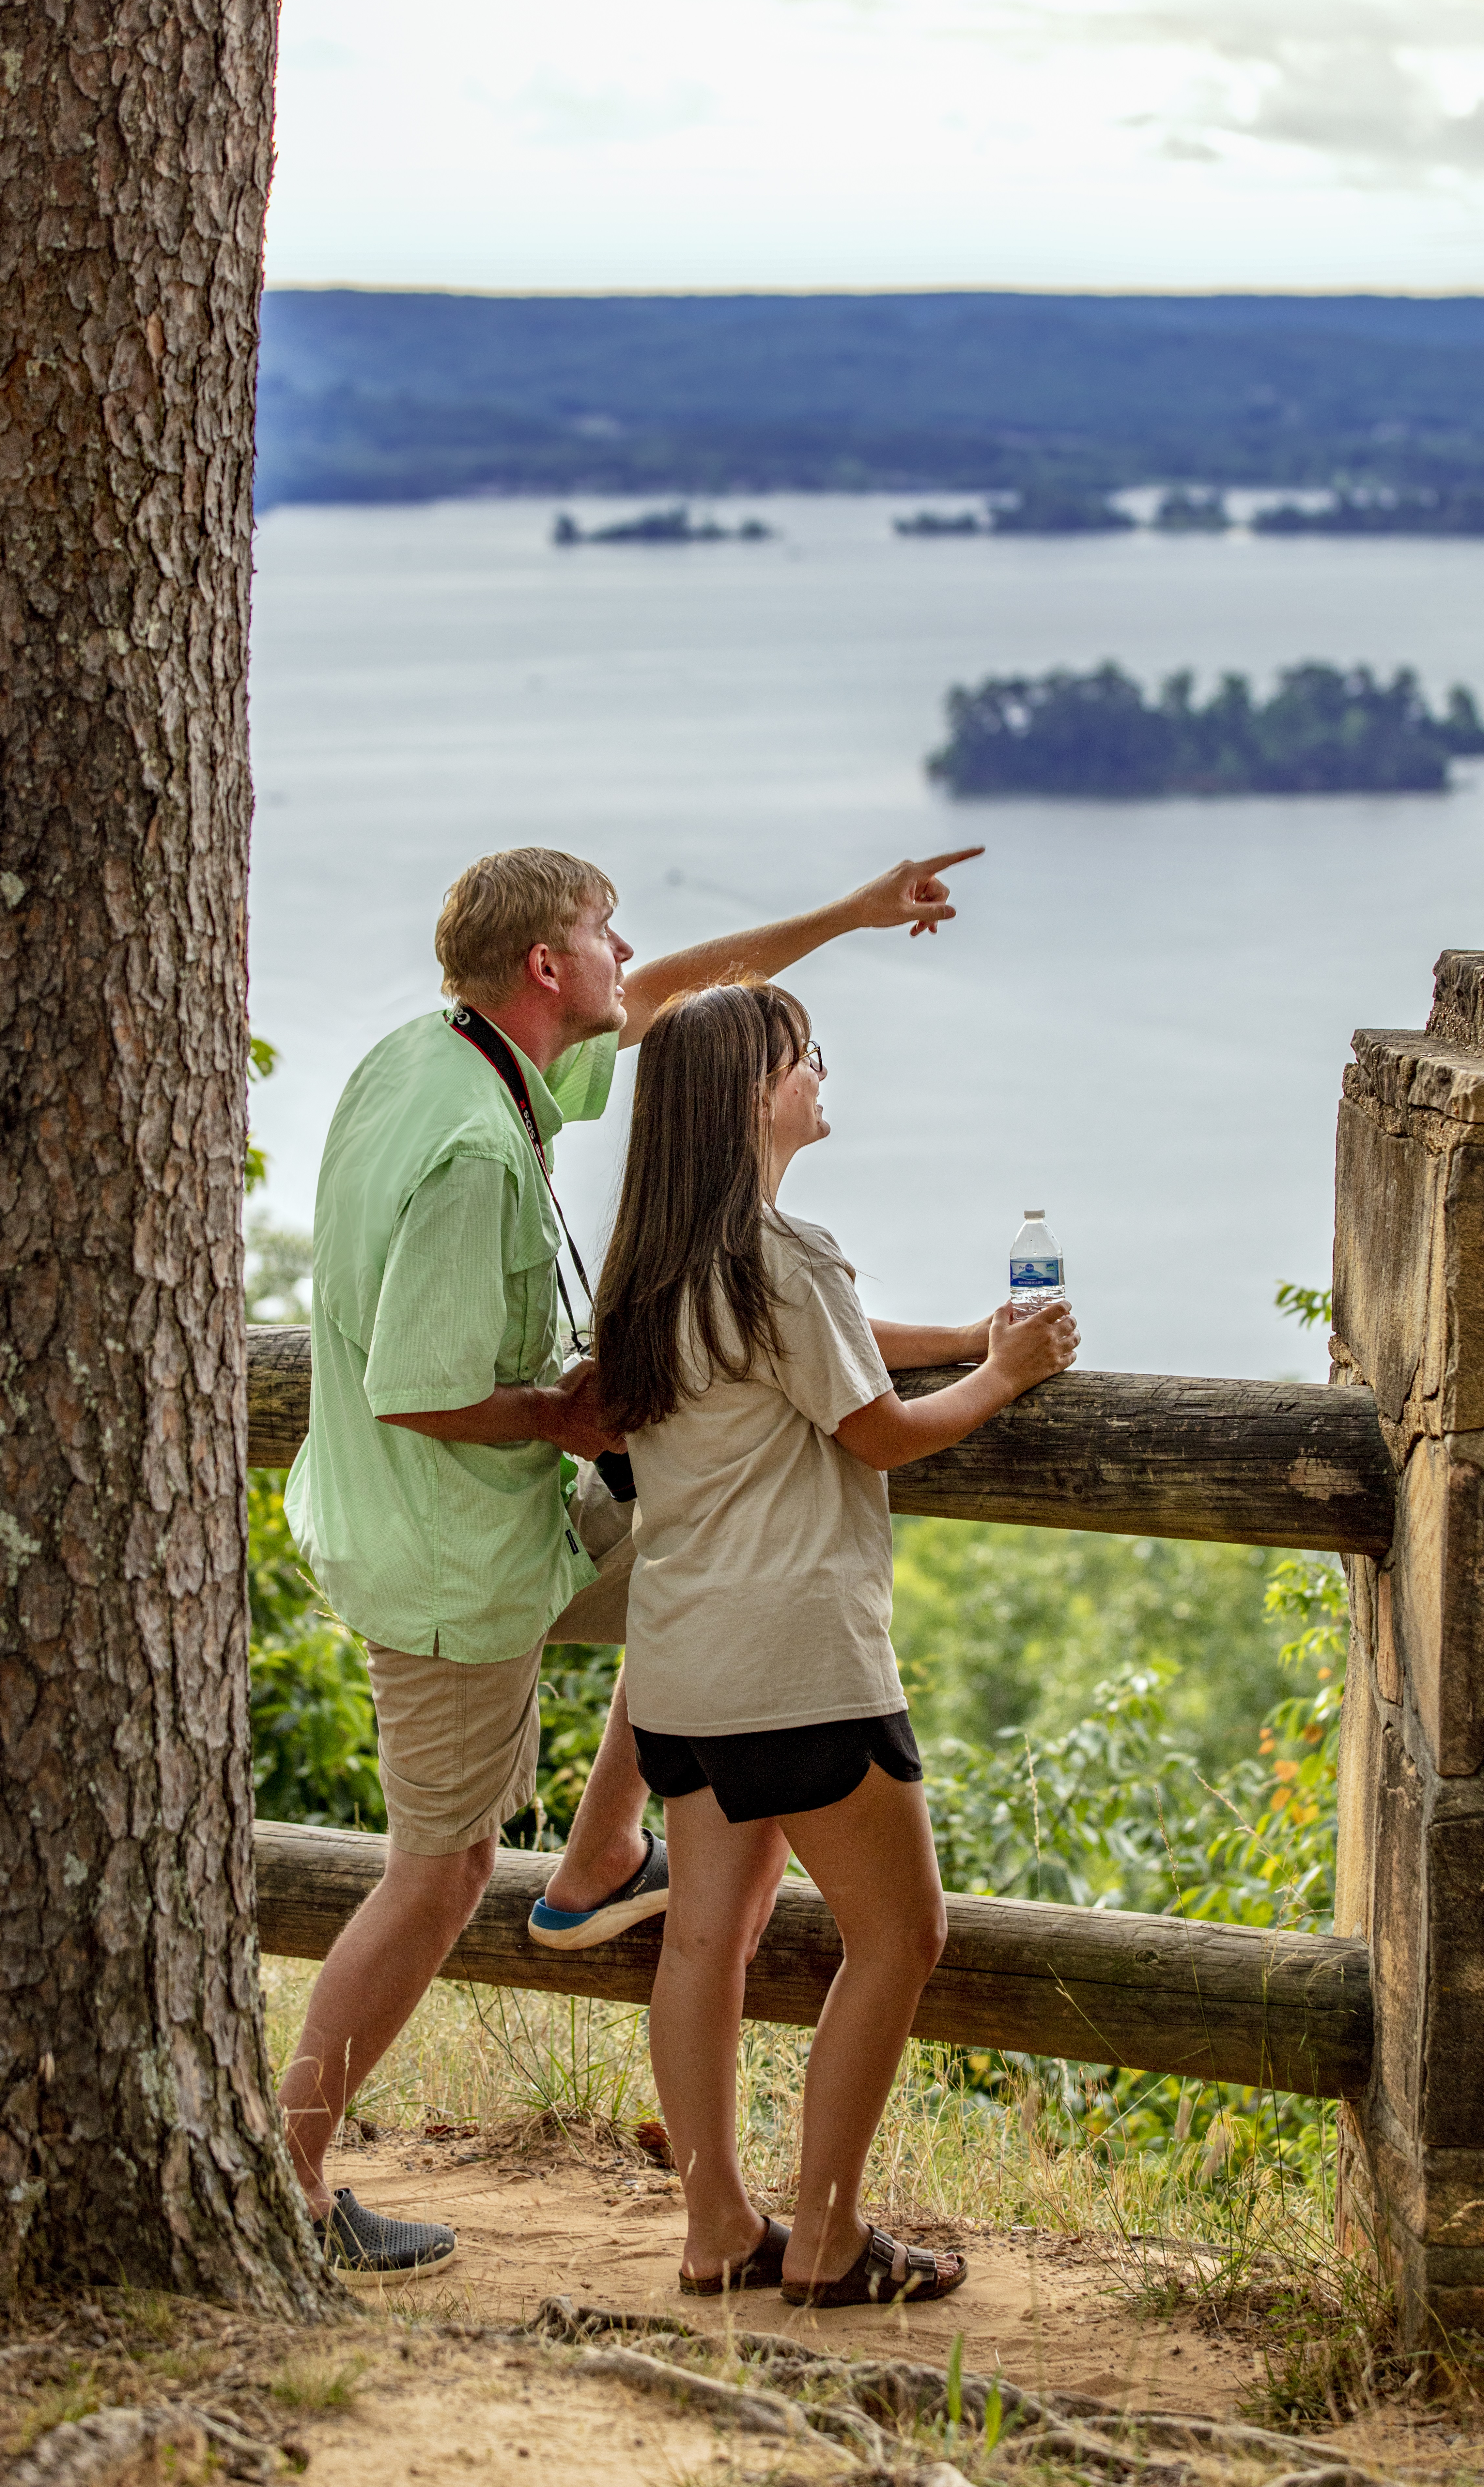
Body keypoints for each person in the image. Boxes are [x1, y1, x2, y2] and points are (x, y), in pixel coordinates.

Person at [275, 842, 985, 2281]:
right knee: (439, 1871)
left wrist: (850, 913)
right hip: (451, 1557)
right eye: (605, 930)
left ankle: (603, 1852)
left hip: (474, 1523)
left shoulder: (443, 1054)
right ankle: (277, 2173)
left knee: (696, 1531)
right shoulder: (476, 1152)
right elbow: (418, 1386)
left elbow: (676, 1004)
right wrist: (560, 1412)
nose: (627, 950)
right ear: (547, 965)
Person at [593, 982, 1078, 2309]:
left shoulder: (655, 1268)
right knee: (903, 1933)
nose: (820, 1071)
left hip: (683, 1671)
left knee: (703, 1945)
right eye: (805, 1055)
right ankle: (826, 2234)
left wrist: (967, 1336)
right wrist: (1004, 1377)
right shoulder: (786, 1258)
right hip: (799, 1663)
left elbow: (824, 1350)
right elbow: (877, 1428)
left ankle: (716, 2228)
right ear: (756, 1097)